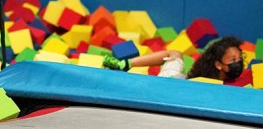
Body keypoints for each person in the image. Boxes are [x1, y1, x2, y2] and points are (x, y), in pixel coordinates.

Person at [103, 36, 245, 81]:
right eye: (233, 60)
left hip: (181, 80)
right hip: (173, 82)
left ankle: (126, 63)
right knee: (174, 54)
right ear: (218, 65)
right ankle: (125, 64)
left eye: (239, 58)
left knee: (176, 55)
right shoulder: (206, 81)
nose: (238, 63)